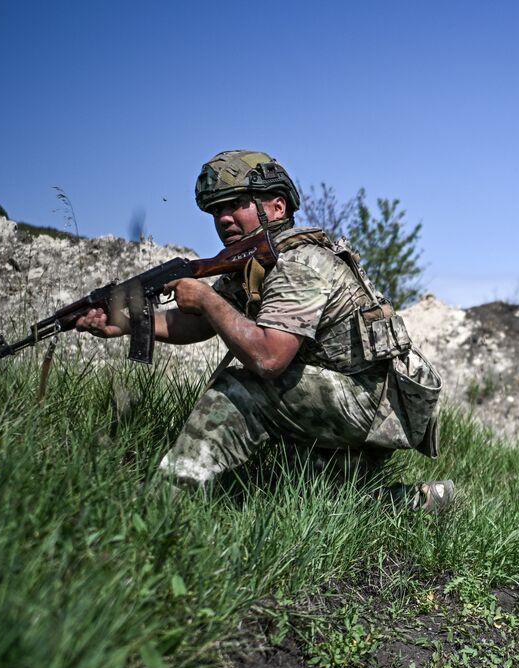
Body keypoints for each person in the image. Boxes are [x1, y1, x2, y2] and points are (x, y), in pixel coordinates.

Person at [76, 150, 452, 508]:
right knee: (309, 497)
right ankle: (422, 502)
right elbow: (200, 323)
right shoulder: (254, 266)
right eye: (216, 210)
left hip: (369, 406)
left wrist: (205, 298)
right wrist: (127, 323)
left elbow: (269, 359)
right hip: (362, 406)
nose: (224, 218)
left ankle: (164, 502)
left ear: (277, 206)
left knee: (241, 388)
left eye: (235, 203)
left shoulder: (297, 265)